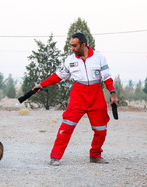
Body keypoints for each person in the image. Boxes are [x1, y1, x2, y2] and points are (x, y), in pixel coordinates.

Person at [33, 32, 118, 166]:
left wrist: (113, 94)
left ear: (83, 45)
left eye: (74, 46)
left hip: (96, 95)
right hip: (78, 96)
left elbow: (107, 77)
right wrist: (42, 84)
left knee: (101, 129)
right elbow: (58, 76)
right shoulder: (70, 60)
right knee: (66, 127)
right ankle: (55, 157)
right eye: (71, 46)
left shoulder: (99, 57)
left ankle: (95, 155)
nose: (72, 48)